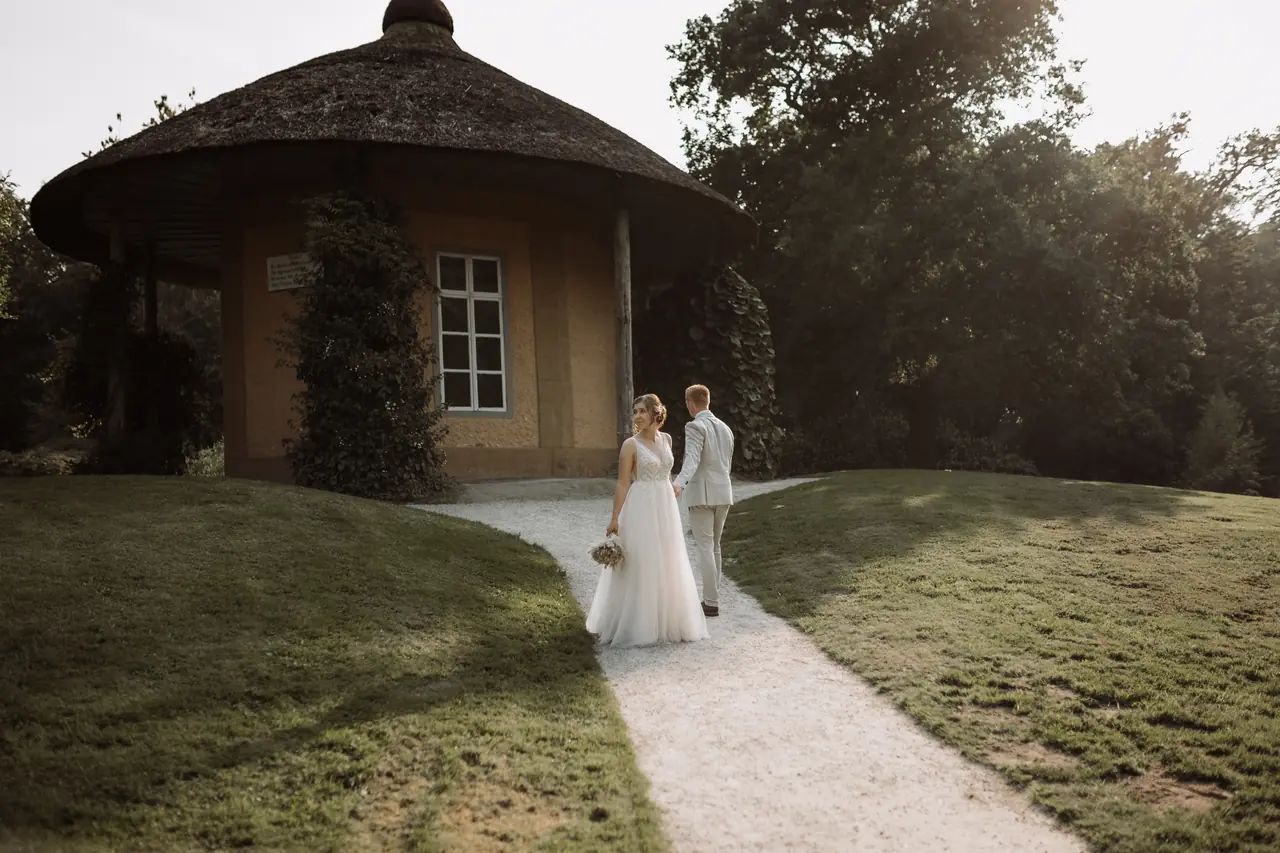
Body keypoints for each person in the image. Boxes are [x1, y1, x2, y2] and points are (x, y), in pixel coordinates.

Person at [585, 394, 710, 647]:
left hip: (665, 505)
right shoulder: (630, 445)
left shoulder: (667, 439)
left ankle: (667, 621)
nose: (637, 416)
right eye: (635, 412)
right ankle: (638, 624)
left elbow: (666, 472)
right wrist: (615, 518)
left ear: (655, 413)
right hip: (641, 505)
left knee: (667, 558)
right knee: (642, 559)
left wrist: (672, 488)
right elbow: (623, 484)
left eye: (642, 411)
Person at [672, 384, 735, 618]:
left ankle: (711, 602)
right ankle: (712, 598)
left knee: (706, 547)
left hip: (702, 494)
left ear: (690, 403)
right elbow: (727, 464)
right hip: (723, 492)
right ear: (707, 401)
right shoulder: (726, 428)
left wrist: (678, 483)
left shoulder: (694, 426)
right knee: (715, 546)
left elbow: (692, 459)